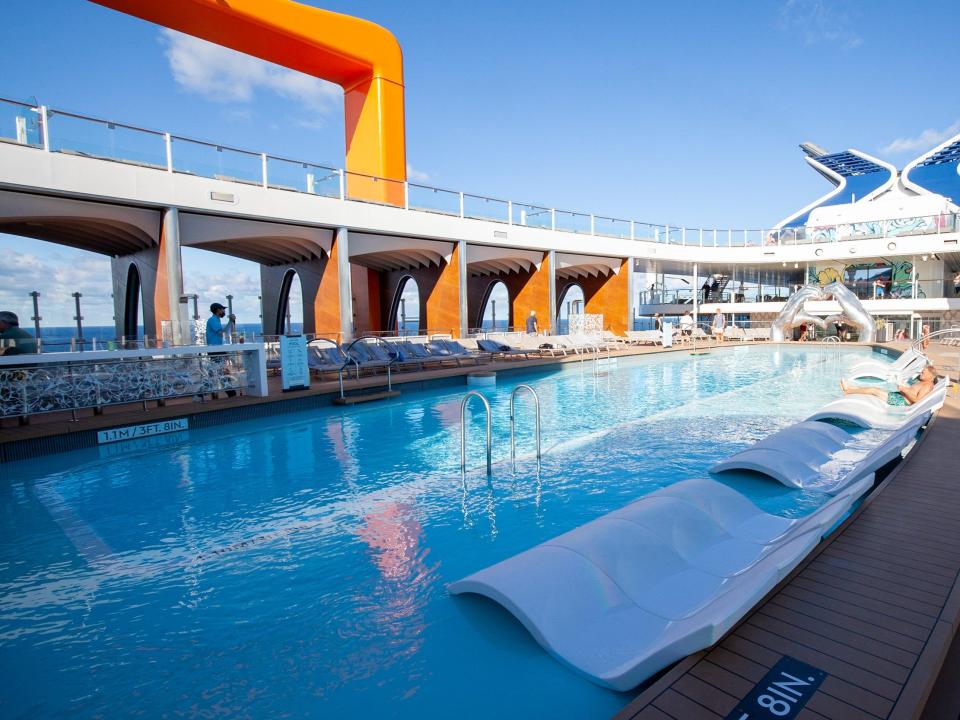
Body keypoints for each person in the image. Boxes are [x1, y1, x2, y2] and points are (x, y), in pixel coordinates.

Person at [840, 364, 937, 407]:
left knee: (874, 390)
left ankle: (848, 391)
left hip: (901, 401)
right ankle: (851, 388)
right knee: (876, 389)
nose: (921, 373)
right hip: (900, 397)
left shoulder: (927, 386)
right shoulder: (925, 383)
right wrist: (904, 388)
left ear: (930, 375)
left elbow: (917, 400)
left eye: (923, 373)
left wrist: (904, 389)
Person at [205, 303, 237, 398]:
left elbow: (221, 333)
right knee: (220, 371)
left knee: (218, 371)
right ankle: (230, 392)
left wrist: (231, 322)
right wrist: (230, 321)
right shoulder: (213, 320)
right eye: (222, 309)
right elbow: (221, 333)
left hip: (218, 349)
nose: (224, 311)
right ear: (218, 310)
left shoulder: (216, 320)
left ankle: (229, 391)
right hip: (215, 350)